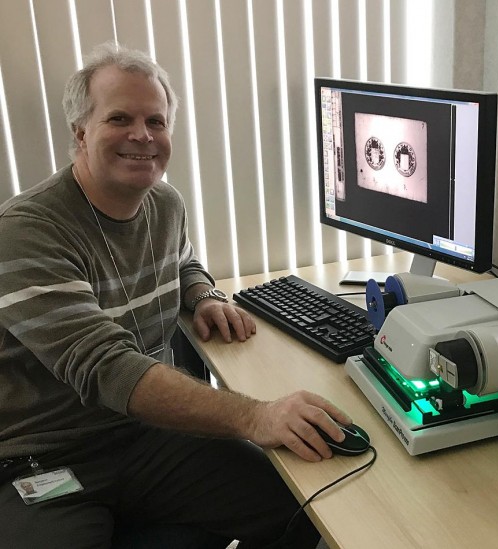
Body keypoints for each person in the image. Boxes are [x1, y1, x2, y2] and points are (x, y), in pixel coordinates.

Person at [0, 42, 351, 548]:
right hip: (45, 457)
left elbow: (183, 261)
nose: (142, 136)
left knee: (301, 507)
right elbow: (106, 367)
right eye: (119, 118)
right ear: (80, 134)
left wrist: (204, 295)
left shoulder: (163, 202)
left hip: (141, 436)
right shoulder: (26, 230)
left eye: (156, 121)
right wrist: (256, 416)